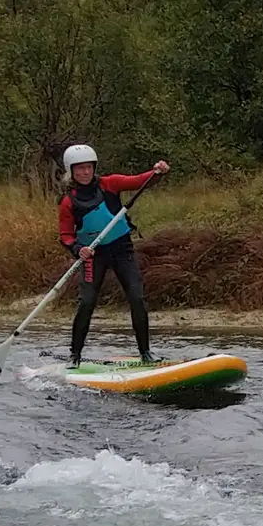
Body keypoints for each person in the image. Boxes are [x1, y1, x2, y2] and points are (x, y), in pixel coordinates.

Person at [57, 143, 170, 367]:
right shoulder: (68, 201)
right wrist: (78, 249)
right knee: (87, 302)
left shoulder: (110, 183)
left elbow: (140, 181)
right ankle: (75, 355)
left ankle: (145, 352)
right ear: (71, 171)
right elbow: (66, 235)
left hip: (121, 249)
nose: (85, 172)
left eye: (88, 167)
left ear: (94, 167)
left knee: (136, 297)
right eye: (79, 168)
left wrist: (158, 171)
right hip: (93, 255)